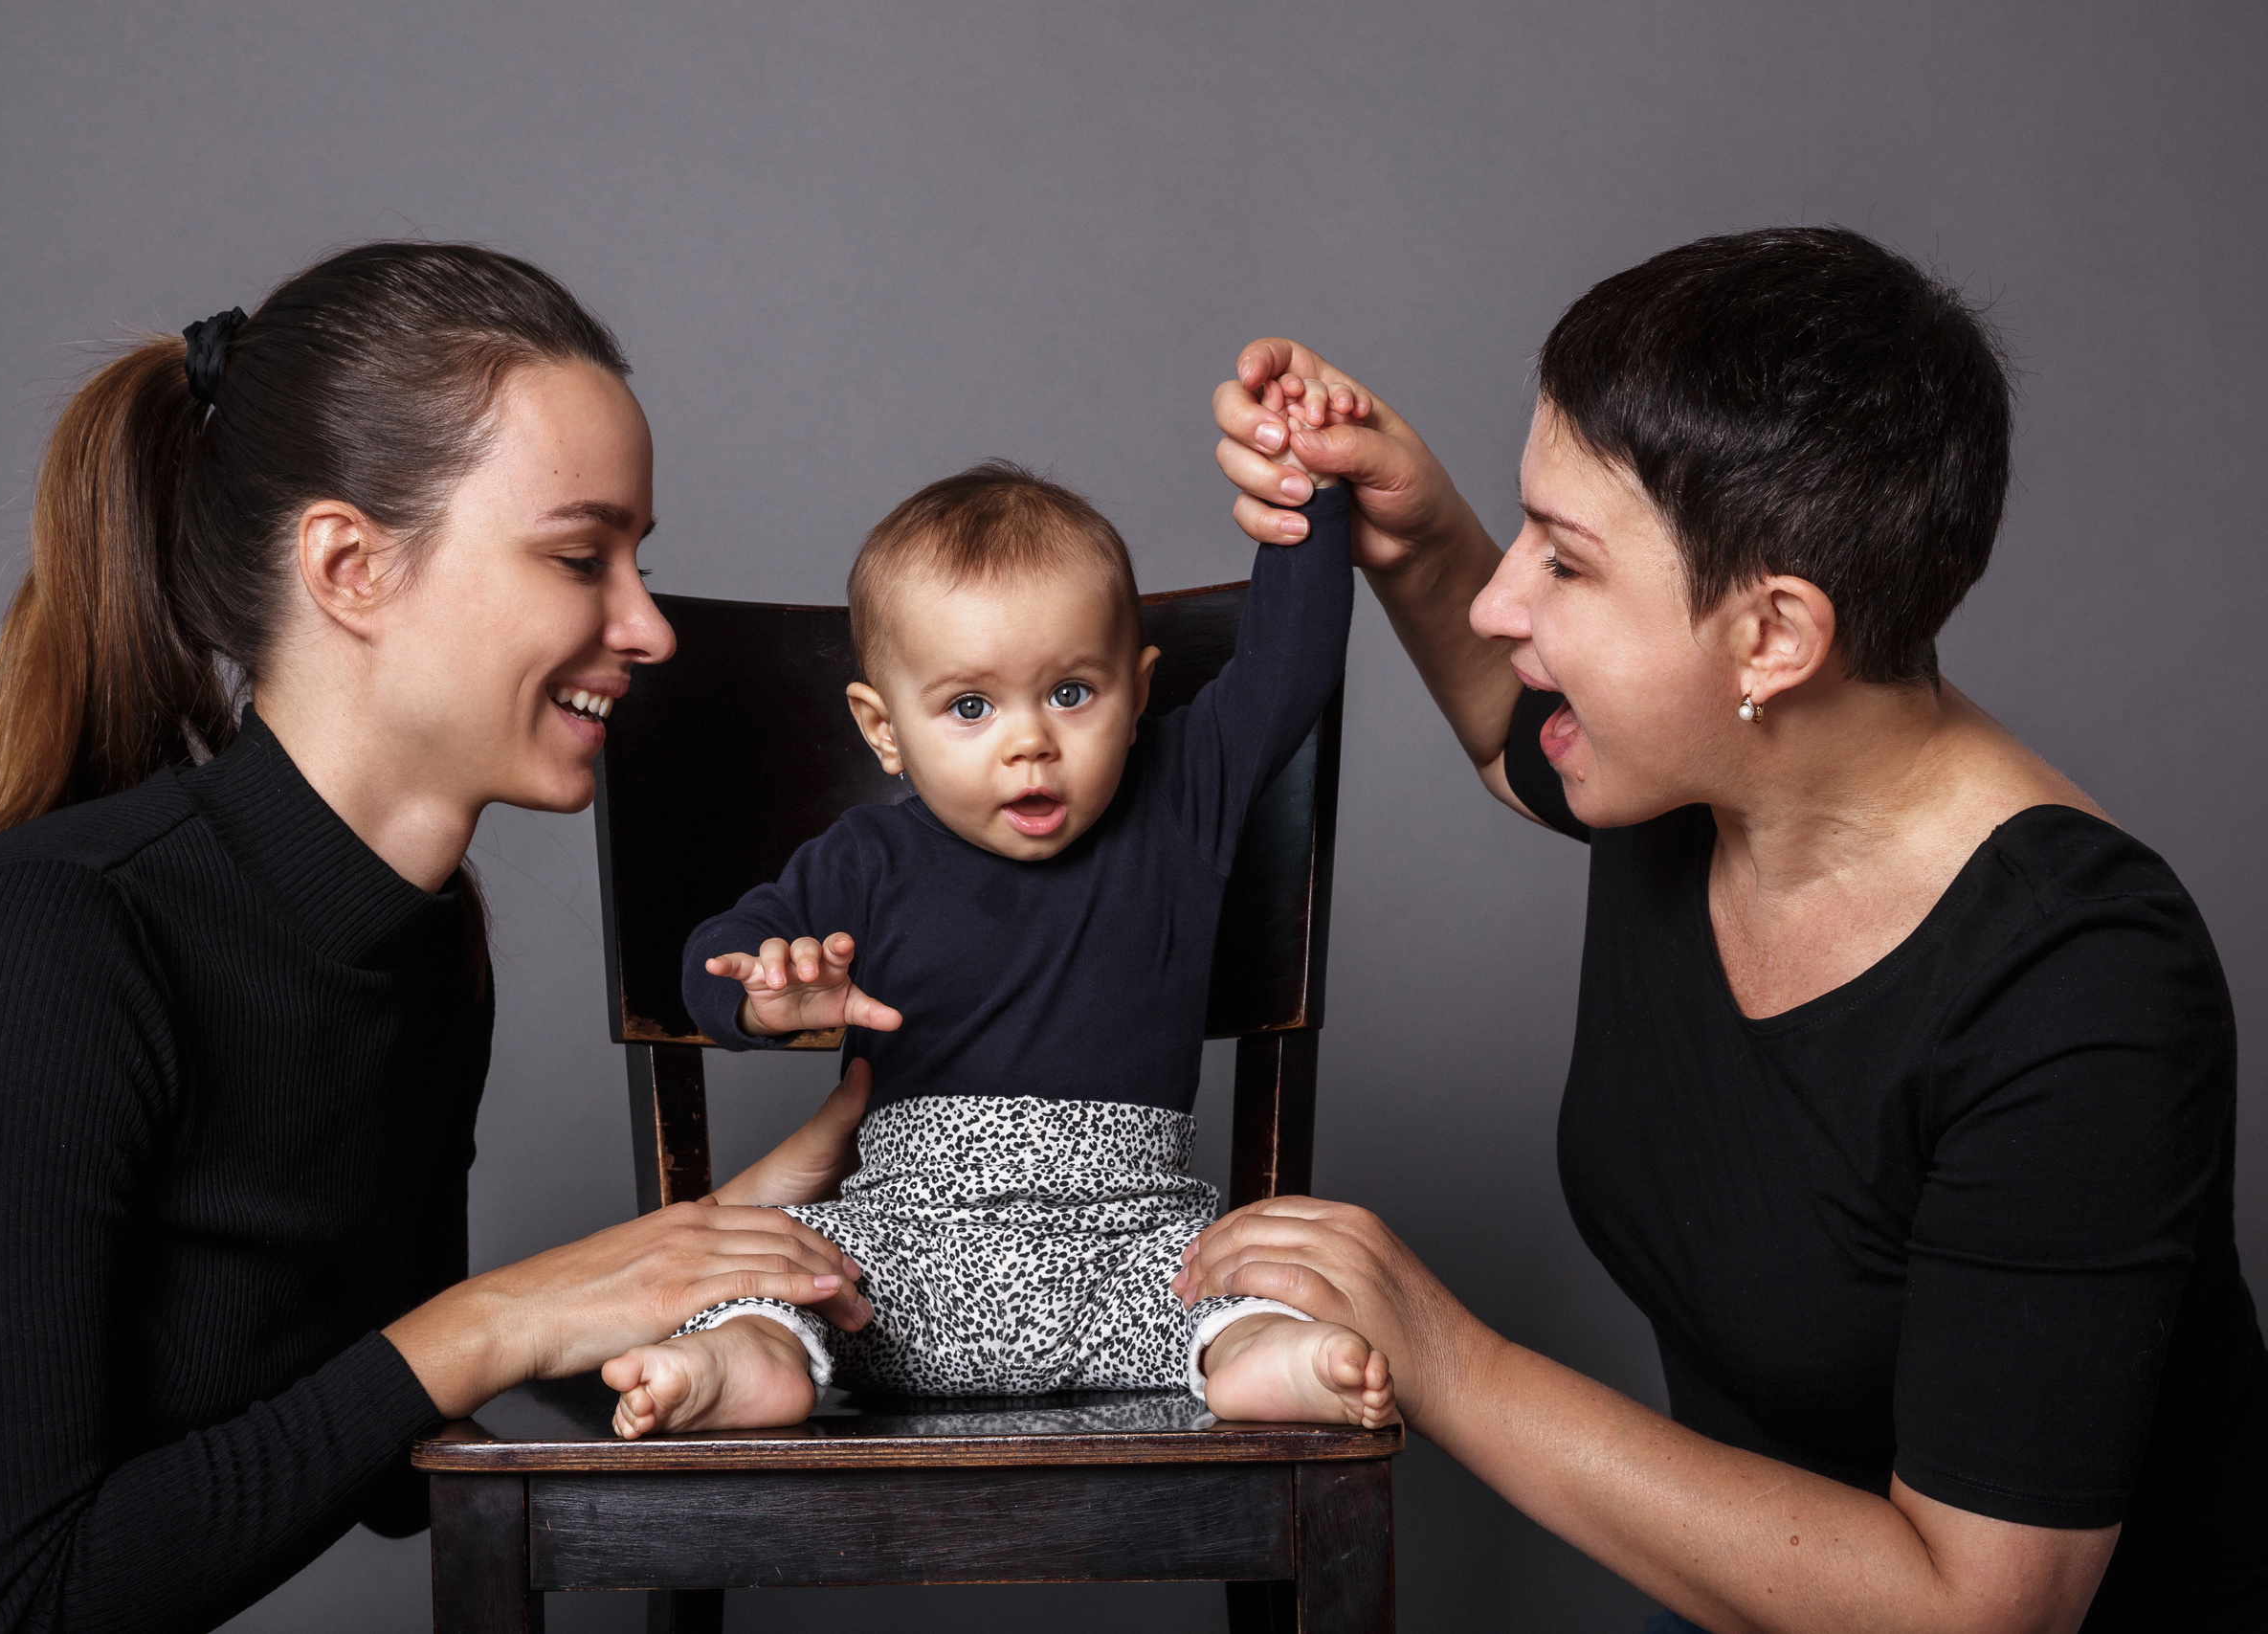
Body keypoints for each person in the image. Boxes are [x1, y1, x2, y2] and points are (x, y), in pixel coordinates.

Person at [1176, 227, 2268, 1632]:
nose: (1505, 600)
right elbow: (1521, 724)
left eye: (1564, 562)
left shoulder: (2083, 990)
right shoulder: (1697, 773)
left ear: (1772, 640)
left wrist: (1448, 1357)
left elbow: (1971, 1610)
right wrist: (1411, 509)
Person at [0, 242, 876, 1632]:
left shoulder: (428, 946)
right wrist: (496, 1316)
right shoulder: (46, 945)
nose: (648, 625)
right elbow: (14, 1601)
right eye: (580, 555)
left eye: (639, 558)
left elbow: (380, 1452)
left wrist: (708, 1257)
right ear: (349, 565)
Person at [599, 454, 1396, 1438]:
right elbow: (715, 955)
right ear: (882, 730)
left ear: (1138, 691)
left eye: (1070, 693)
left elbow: (1291, 664)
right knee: (774, 1276)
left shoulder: (1184, 798)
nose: (1028, 742)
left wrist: (1310, 484)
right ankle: (743, 1361)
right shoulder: (866, 856)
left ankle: (1275, 1357)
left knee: (1249, 1283)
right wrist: (762, 993)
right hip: (898, 1258)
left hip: (1131, 1249)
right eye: (970, 707)